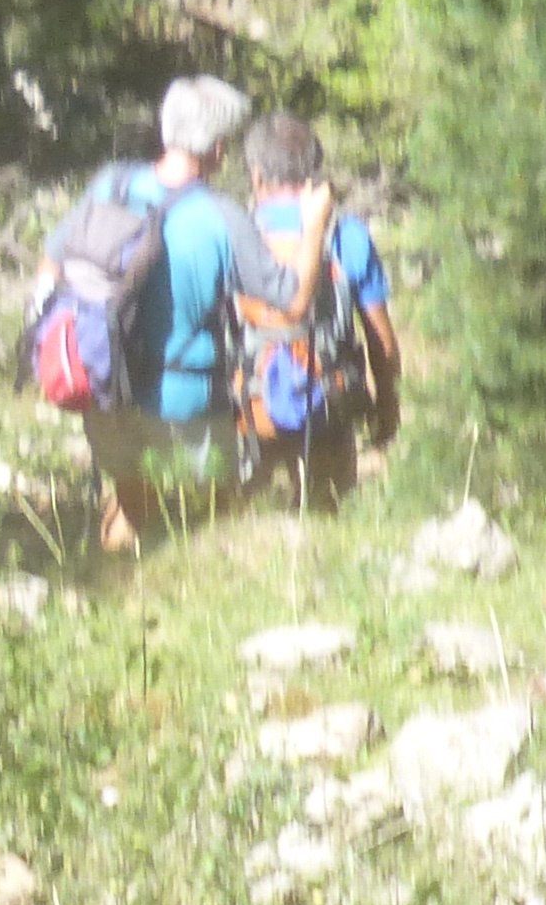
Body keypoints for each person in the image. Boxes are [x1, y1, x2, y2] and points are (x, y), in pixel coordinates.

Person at [42, 74, 324, 552]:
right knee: (222, 514)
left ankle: (110, 577)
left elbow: (51, 265)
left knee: (132, 506)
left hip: (103, 390)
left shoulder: (111, 185)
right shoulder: (222, 217)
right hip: (185, 410)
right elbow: (294, 301)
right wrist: (314, 225)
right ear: (217, 148)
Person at [241, 110, 396, 508]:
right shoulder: (347, 234)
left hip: (247, 410)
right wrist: (387, 405)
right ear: (313, 174)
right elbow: (380, 340)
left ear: (257, 176)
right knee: (327, 513)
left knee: (244, 523)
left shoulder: (235, 232)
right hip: (327, 409)